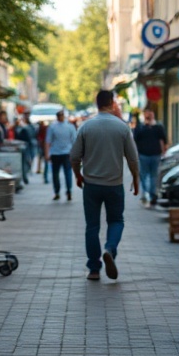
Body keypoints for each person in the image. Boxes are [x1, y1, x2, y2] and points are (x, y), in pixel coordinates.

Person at [70, 89, 140, 281]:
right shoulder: (122, 127)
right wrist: (135, 179)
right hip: (114, 185)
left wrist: (78, 174)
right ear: (112, 103)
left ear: (96, 103)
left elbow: (74, 156)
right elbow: (133, 158)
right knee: (116, 221)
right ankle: (109, 248)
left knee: (92, 226)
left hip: (91, 185)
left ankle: (94, 269)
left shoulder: (86, 127)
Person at [133, 108, 168, 207]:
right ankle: (145, 194)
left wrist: (163, 152)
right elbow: (135, 140)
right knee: (144, 176)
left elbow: (163, 140)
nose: (148, 116)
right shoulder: (140, 127)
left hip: (155, 155)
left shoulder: (158, 127)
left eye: (150, 114)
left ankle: (152, 194)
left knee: (153, 176)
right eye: (147, 114)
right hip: (143, 155)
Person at [45, 108, 77, 201]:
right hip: (65, 153)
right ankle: (68, 191)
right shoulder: (70, 126)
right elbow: (74, 141)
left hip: (56, 153)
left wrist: (47, 153)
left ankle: (58, 192)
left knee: (56, 174)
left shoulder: (52, 127)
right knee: (67, 173)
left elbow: (48, 141)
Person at [14, 114, 34, 184]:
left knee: (24, 163)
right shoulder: (20, 128)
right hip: (23, 147)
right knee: (24, 163)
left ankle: (24, 177)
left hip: (25, 147)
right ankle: (24, 177)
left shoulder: (25, 128)